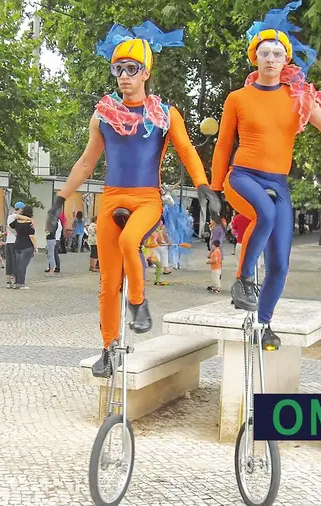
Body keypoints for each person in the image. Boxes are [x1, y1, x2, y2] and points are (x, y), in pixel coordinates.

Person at [46, 21, 220, 378]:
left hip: (146, 199)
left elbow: (186, 150)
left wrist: (203, 186)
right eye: (118, 69)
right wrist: (60, 199)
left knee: (130, 240)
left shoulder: (164, 113)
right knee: (108, 283)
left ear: (145, 73)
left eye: (131, 69)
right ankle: (109, 349)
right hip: (111, 199)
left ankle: (139, 302)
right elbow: (86, 161)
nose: (124, 76)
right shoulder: (104, 114)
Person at [208, 0, 321, 351]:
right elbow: (223, 145)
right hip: (242, 177)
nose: (271, 59)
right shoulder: (237, 98)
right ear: (255, 57)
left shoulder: (297, 97)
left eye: (277, 53)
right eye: (264, 52)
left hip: (277, 182)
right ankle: (242, 281)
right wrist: (212, 189)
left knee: (281, 264)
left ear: (286, 61)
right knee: (264, 213)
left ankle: (264, 324)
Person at [11, 205, 38, 289]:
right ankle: (21, 284)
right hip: (27, 246)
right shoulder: (30, 223)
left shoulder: (17, 221)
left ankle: (16, 283)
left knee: (17, 265)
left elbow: (10, 225)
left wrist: (15, 233)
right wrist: (36, 247)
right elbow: (31, 236)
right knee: (23, 266)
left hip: (17, 245)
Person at [5, 202, 25, 288]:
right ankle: (14, 282)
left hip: (8, 242)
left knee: (9, 262)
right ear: (20, 209)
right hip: (14, 242)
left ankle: (8, 282)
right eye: (22, 209)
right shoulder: (15, 216)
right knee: (15, 262)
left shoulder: (9, 216)